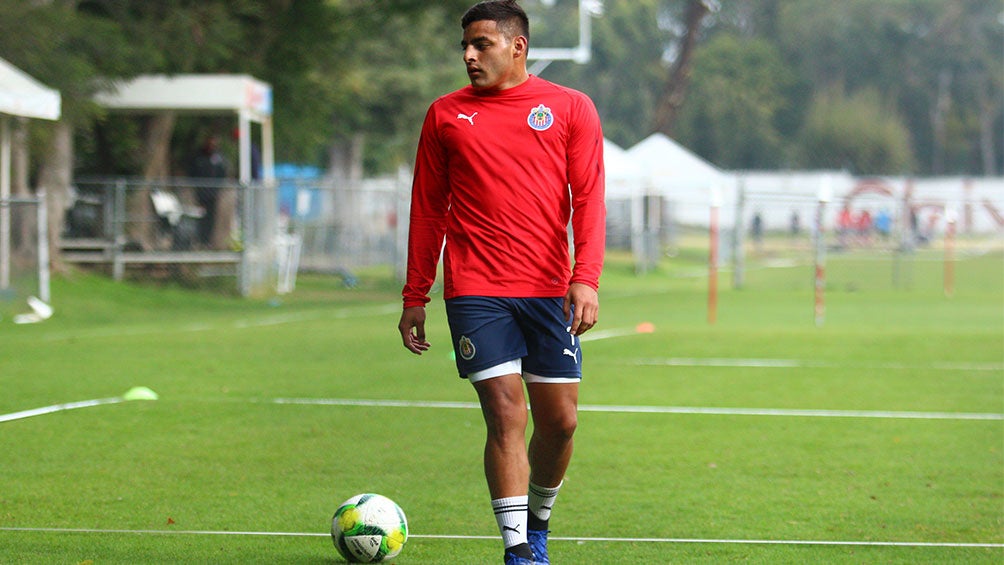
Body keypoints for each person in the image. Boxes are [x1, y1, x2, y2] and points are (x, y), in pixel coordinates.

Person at [396, 2, 605, 563]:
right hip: (475, 289)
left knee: (560, 423)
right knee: (506, 413)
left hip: (546, 290)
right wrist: (415, 295)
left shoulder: (570, 108)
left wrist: (585, 278)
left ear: (518, 47)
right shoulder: (444, 115)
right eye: (464, 45)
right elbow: (427, 209)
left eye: (481, 44)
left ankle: (538, 523)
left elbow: (588, 198)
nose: (468, 55)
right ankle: (517, 551)